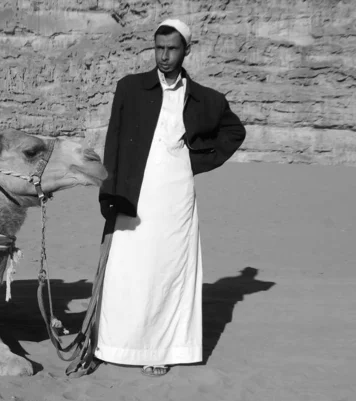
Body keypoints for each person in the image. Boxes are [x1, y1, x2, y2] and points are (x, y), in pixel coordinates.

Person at [94, 19, 246, 377]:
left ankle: (160, 350)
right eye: (159, 48)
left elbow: (234, 131)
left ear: (186, 51)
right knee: (125, 269)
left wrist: (195, 159)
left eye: (172, 49)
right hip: (134, 190)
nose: (164, 56)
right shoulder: (130, 88)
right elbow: (113, 144)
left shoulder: (205, 98)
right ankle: (114, 344)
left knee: (167, 270)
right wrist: (109, 191)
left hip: (175, 195)